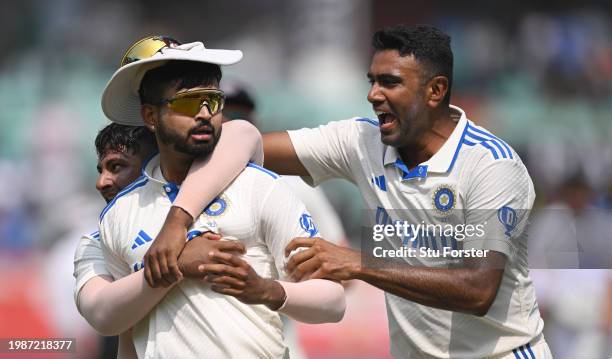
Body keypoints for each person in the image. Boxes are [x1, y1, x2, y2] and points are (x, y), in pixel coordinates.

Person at [145, 26, 552, 358]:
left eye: (390, 83)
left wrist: (358, 264)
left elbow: (478, 290)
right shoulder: (363, 141)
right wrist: (177, 219)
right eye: (372, 81)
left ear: (435, 90)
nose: (374, 94)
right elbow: (243, 140)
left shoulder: (491, 165)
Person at [95, 38, 345, 358]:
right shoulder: (121, 213)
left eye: (212, 101)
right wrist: (176, 267)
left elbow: (334, 301)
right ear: (150, 115)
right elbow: (122, 330)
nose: (204, 114)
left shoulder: (261, 187)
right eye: (188, 102)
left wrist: (267, 290)